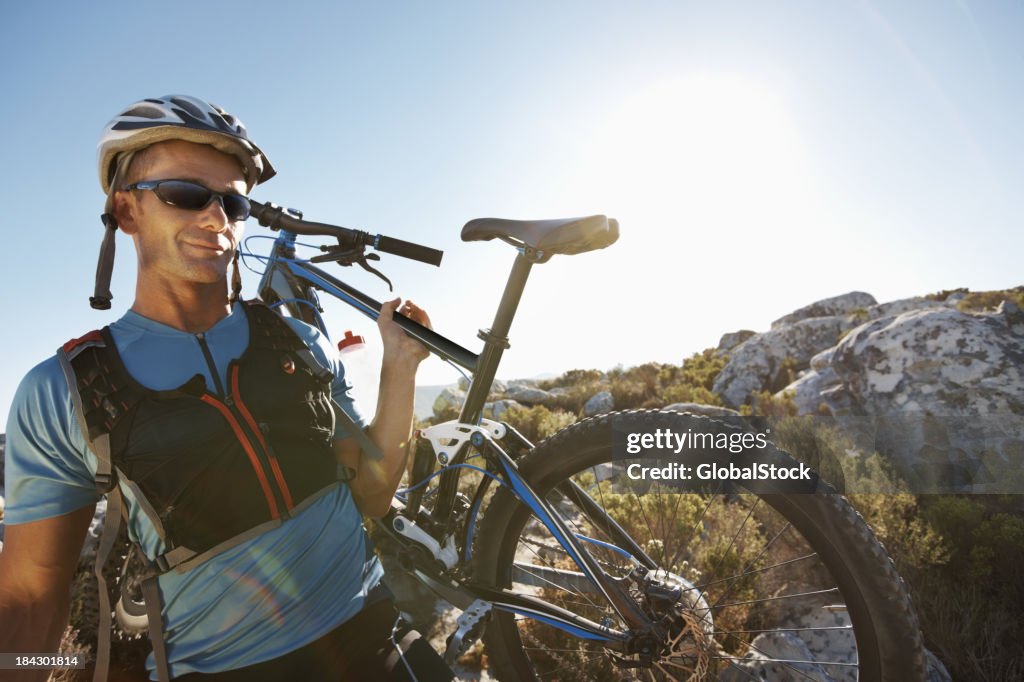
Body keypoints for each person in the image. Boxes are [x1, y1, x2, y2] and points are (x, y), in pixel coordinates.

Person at [0, 95, 455, 682]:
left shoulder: (297, 340)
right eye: (185, 194)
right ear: (126, 211)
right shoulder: (64, 390)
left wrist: (400, 368)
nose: (217, 219)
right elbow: (29, 602)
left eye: (234, 202)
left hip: (379, 640)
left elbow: (367, 496)